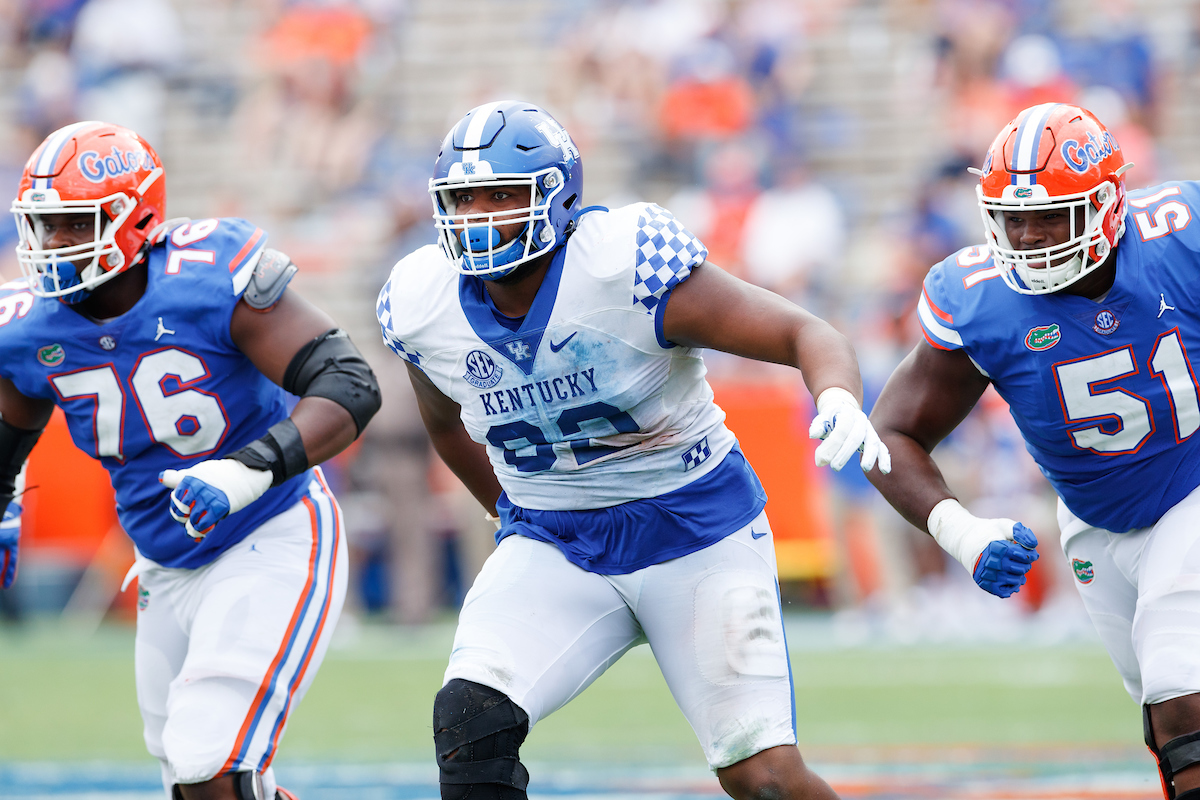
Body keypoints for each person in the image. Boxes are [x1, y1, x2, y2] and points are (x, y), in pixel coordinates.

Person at [375, 100, 890, 800]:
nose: (481, 217)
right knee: (471, 719)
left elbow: (809, 335)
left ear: (559, 198)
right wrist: (516, 514)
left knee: (761, 775)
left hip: (696, 530)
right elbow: (445, 422)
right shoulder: (419, 299)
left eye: (503, 195)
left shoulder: (625, 266)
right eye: (464, 199)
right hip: (555, 539)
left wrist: (837, 396)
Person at [0, 121, 381, 800]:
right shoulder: (30, 329)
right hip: (164, 565)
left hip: (271, 530)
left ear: (133, 218)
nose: (50, 246)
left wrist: (246, 470)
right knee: (194, 781)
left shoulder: (208, 280)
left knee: (210, 762)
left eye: (69, 224)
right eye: (42, 226)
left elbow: (349, 383)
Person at [866, 102, 1200, 800]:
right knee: (1167, 729)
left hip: (1192, 483)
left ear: (1110, 204)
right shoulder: (981, 299)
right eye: (1013, 219)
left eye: (1052, 216)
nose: (1029, 238)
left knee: (1182, 694)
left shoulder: (1182, 238)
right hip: (1095, 521)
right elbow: (893, 431)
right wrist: (960, 531)